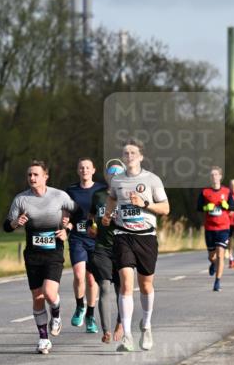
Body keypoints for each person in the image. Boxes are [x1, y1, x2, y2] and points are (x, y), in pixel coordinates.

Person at [105, 139, 170, 352]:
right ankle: (128, 336)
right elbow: (112, 199)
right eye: (126, 153)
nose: (129, 156)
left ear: (141, 157)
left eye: (133, 153)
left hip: (146, 237)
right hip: (123, 235)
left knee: (145, 285)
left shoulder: (152, 180)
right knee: (125, 283)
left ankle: (147, 325)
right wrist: (107, 215)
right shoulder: (117, 180)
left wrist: (144, 204)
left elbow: (166, 208)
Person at [4, 160, 76, 354]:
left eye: (36, 175)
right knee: (37, 297)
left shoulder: (59, 196)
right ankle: (43, 338)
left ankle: (57, 314)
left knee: (50, 293)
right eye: (29, 175)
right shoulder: (21, 199)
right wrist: (16, 223)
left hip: (54, 252)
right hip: (33, 254)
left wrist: (67, 229)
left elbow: (79, 214)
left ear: (46, 176)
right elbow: (7, 225)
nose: (32, 178)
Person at [64, 158, 106, 333]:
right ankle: (80, 306)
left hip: (95, 238)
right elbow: (66, 212)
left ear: (93, 170)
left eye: (87, 167)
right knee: (79, 275)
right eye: (81, 167)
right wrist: (66, 223)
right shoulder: (71, 190)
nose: (84, 170)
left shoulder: (101, 189)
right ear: (77, 170)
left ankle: (90, 315)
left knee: (91, 278)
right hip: (77, 238)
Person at [87, 160, 124, 343]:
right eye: (111, 175)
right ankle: (106, 331)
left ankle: (120, 323)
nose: (114, 178)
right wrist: (90, 227)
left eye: (118, 175)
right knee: (103, 286)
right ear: (107, 176)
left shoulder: (127, 195)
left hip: (123, 247)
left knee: (121, 289)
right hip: (101, 248)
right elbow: (91, 217)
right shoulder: (98, 195)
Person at [197, 166, 233, 291]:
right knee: (212, 256)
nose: (214, 177)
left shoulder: (227, 191)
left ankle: (217, 282)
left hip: (223, 227)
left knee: (220, 254)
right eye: (212, 175)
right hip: (210, 228)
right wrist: (207, 208)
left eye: (216, 174)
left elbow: (232, 207)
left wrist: (226, 205)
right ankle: (212, 264)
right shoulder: (205, 192)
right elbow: (199, 207)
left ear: (220, 176)